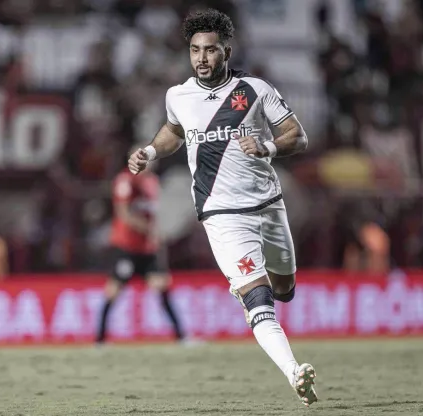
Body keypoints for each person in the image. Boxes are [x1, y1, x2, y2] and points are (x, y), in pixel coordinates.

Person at [127, 9, 318, 406]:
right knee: (258, 297)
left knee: (284, 289)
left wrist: (266, 146)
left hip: (268, 205)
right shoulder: (178, 96)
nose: (201, 58)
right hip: (221, 214)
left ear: (226, 51)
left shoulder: (255, 90)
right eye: (195, 50)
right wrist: (149, 150)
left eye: (210, 50)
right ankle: (295, 372)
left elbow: (297, 137)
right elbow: (174, 132)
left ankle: (251, 288)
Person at [96, 147, 184, 344]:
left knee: (162, 286)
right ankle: (100, 339)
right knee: (113, 290)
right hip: (126, 246)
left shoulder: (152, 181)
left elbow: (152, 214)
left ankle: (181, 337)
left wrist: (155, 234)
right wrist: (150, 230)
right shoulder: (125, 180)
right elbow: (124, 214)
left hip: (147, 249)